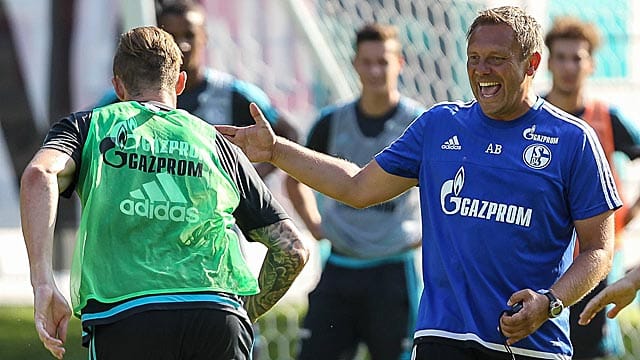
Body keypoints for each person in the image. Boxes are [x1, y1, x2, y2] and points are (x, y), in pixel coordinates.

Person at [217, 6, 619, 360]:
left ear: (531, 64)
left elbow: (599, 249)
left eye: (497, 59)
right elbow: (357, 187)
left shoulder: (573, 140)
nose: (482, 71)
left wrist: (549, 302)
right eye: (474, 58)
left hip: (532, 345)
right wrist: (276, 151)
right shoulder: (439, 125)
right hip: (442, 337)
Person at [20, 26, 308, 360]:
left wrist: (43, 283)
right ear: (180, 83)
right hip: (218, 315)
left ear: (117, 86)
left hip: (126, 316)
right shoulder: (215, 143)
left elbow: (39, 175)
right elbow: (293, 250)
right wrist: (243, 312)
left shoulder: (90, 126)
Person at [286, 23, 424, 360]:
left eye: (384, 61)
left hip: (393, 271)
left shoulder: (419, 123)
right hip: (340, 267)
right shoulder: (331, 122)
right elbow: (294, 177)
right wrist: (315, 225)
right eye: (368, 62)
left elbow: (446, 188)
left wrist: (426, 233)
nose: (376, 70)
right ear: (355, 64)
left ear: (400, 63)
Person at [96, 0, 299, 178]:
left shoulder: (233, 93)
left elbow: (288, 133)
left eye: (189, 35)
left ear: (205, 37)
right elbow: (86, 131)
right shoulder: (127, 95)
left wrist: (246, 181)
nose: (182, 44)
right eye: (172, 36)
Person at [543, 16, 640, 360]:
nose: (570, 66)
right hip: (540, 260)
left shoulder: (606, 117)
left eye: (578, 58)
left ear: (591, 64)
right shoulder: (530, 115)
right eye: (562, 57)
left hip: (594, 258)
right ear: (547, 61)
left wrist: (627, 213)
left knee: (590, 350)